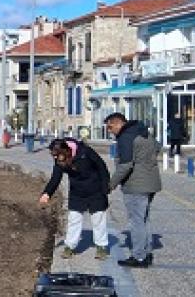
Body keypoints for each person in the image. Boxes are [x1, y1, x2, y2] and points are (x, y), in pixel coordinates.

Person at [105, 113, 162, 267]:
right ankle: (146, 252)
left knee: (136, 221)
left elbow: (126, 165)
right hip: (151, 182)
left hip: (136, 184)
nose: (110, 131)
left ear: (118, 124)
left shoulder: (125, 137)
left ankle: (138, 257)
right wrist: (145, 162)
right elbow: (158, 147)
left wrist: (111, 184)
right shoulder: (142, 131)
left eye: (110, 127)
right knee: (144, 219)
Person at [39, 137, 111, 259]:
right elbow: (55, 178)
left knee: (98, 218)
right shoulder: (59, 160)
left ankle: (101, 246)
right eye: (54, 156)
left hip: (95, 190)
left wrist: (105, 186)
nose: (55, 158)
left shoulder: (85, 152)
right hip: (77, 192)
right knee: (74, 219)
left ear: (65, 151)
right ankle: (70, 246)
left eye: (57, 156)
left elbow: (101, 167)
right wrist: (47, 193)